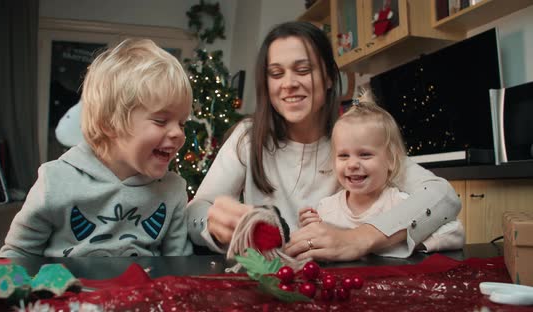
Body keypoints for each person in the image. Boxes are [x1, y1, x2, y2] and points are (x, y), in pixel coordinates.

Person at [186, 21, 460, 261]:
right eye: (277, 74)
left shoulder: (355, 137)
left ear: (329, 77)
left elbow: (443, 196)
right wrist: (214, 224)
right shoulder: (248, 136)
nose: (288, 84)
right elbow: (194, 213)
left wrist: (361, 238)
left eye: (303, 70)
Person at [0, 39, 193, 257]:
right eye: (160, 121)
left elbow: (179, 265)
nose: (178, 133)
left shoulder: (173, 189)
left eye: (182, 123)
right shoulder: (56, 180)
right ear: (109, 125)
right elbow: (18, 254)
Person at [298, 92, 465, 257]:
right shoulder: (326, 207)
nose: (352, 164)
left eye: (365, 154)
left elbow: (454, 231)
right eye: (343, 156)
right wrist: (314, 227)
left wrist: (400, 242)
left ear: (391, 160)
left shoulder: (399, 202)